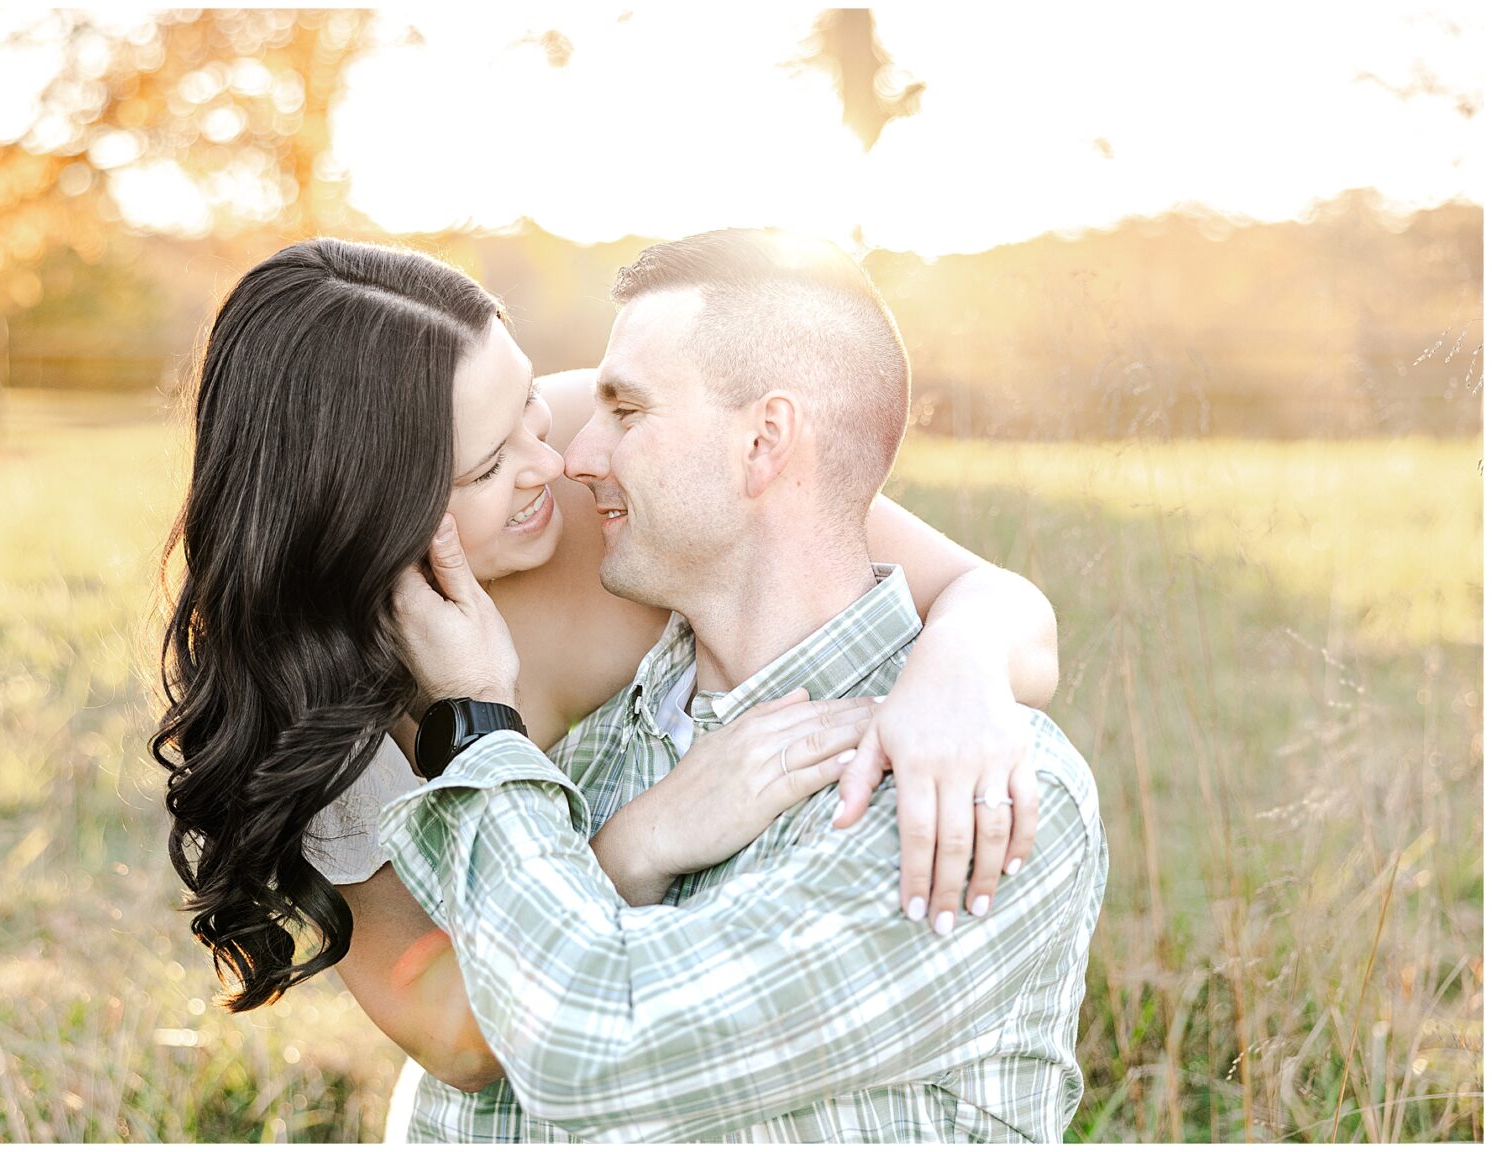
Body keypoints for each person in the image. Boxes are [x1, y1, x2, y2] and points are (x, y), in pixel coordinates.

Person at [152, 238, 1062, 1100]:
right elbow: (463, 1042)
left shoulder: (623, 472)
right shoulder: (325, 712)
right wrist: (636, 843)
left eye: (532, 414)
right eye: (487, 466)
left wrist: (962, 675)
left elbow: (993, 602)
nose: (556, 465)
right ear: (360, 516)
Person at [382, 229, 1108, 1142]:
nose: (578, 456)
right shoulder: (602, 742)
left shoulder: (978, 797)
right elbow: (469, 1110)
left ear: (764, 442)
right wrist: (624, 850)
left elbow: (589, 1051)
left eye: (626, 411)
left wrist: (480, 727)